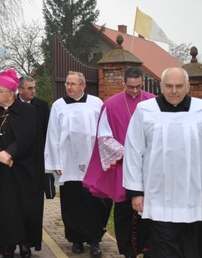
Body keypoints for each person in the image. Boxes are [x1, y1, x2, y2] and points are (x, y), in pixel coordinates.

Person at [123, 67, 202, 257]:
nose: (173, 91)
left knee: (191, 249)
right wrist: (136, 192)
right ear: (161, 86)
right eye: (169, 86)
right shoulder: (145, 111)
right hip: (158, 195)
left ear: (187, 87)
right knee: (163, 248)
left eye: (178, 86)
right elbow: (133, 152)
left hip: (192, 195)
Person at [84, 67, 153, 258]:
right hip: (124, 166)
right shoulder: (111, 104)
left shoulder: (153, 102)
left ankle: (148, 249)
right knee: (125, 211)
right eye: (130, 87)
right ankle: (128, 252)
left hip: (149, 166)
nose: (134, 91)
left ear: (143, 82)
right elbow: (104, 137)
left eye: (138, 86)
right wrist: (128, 155)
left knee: (149, 210)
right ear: (124, 83)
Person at [0, 68, 44, 258]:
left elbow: (29, 137)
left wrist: (10, 153)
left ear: (10, 93)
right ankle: (5, 244)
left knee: (23, 207)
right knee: (1, 210)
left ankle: (24, 242)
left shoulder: (27, 111)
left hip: (21, 170)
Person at [44, 71, 110, 256]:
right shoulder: (59, 106)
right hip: (69, 162)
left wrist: (105, 159)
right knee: (72, 202)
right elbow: (52, 135)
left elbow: (104, 131)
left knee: (95, 202)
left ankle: (95, 239)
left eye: (73, 83)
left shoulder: (96, 103)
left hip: (92, 162)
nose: (69, 87)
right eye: (67, 83)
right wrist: (55, 161)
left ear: (83, 85)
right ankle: (76, 239)